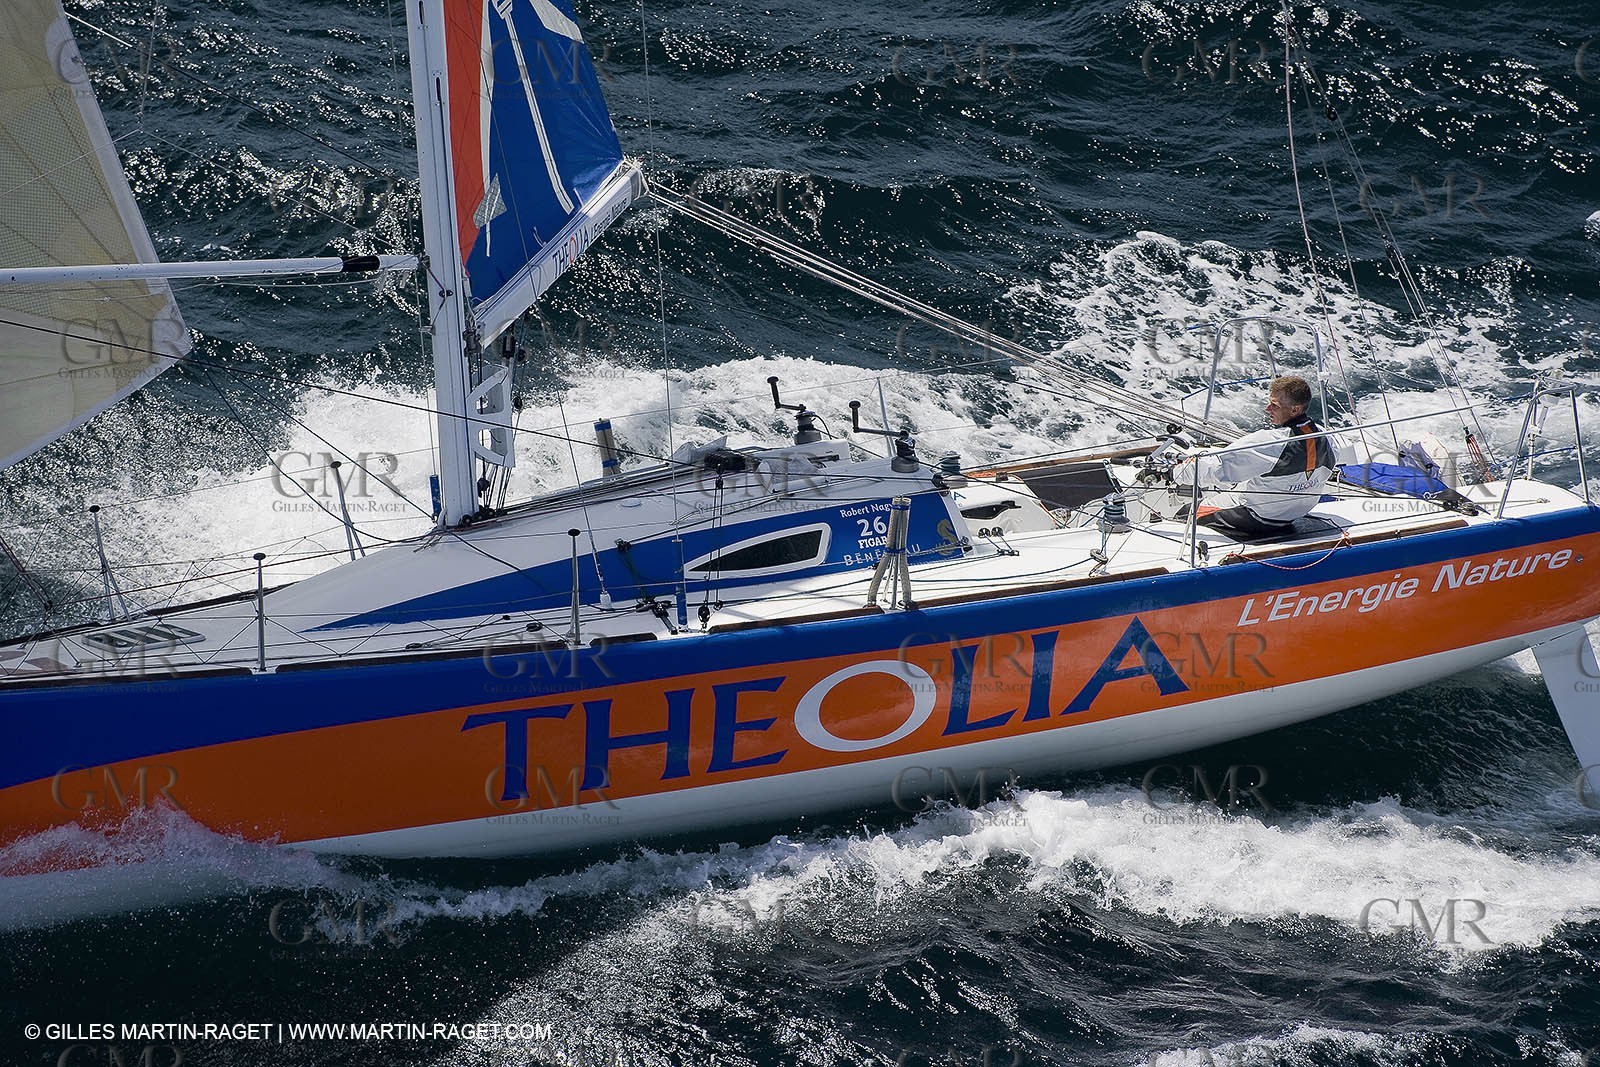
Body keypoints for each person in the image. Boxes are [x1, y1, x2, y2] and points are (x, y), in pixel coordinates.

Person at [1170, 375, 1355, 538]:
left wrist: (1172, 473)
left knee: (1186, 513)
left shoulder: (1270, 442)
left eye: (1274, 405)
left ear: (1294, 410)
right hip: (1293, 514)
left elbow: (1215, 468)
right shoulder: (1328, 438)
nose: (1267, 409)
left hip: (1258, 518)